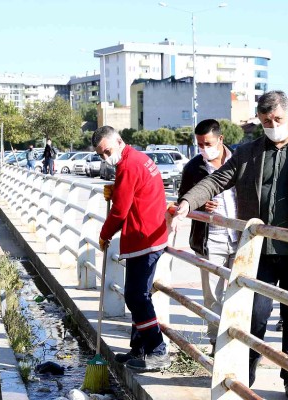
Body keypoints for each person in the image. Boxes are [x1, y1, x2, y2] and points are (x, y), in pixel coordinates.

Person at [173, 91, 288, 400]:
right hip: (259, 252)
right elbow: (215, 181)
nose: (272, 125)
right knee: (256, 316)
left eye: (277, 119)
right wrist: (186, 203)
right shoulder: (248, 153)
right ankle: (245, 372)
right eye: (266, 121)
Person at [92, 125, 171, 372]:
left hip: (144, 238)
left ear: (119, 141)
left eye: (107, 151)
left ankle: (157, 351)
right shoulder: (138, 158)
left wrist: (104, 234)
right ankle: (139, 349)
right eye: (101, 155)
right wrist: (116, 190)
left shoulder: (128, 165)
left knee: (136, 297)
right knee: (139, 295)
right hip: (148, 234)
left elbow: (120, 211)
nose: (106, 157)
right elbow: (134, 192)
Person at [178, 119, 239, 354]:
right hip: (210, 239)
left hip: (239, 237)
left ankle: (236, 340)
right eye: (200, 144)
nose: (204, 148)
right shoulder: (193, 168)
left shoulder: (240, 161)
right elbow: (182, 201)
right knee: (213, 295)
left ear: (220, 139)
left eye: (208, 143)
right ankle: (216, 343)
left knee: (239, 293)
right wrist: (201, 207)